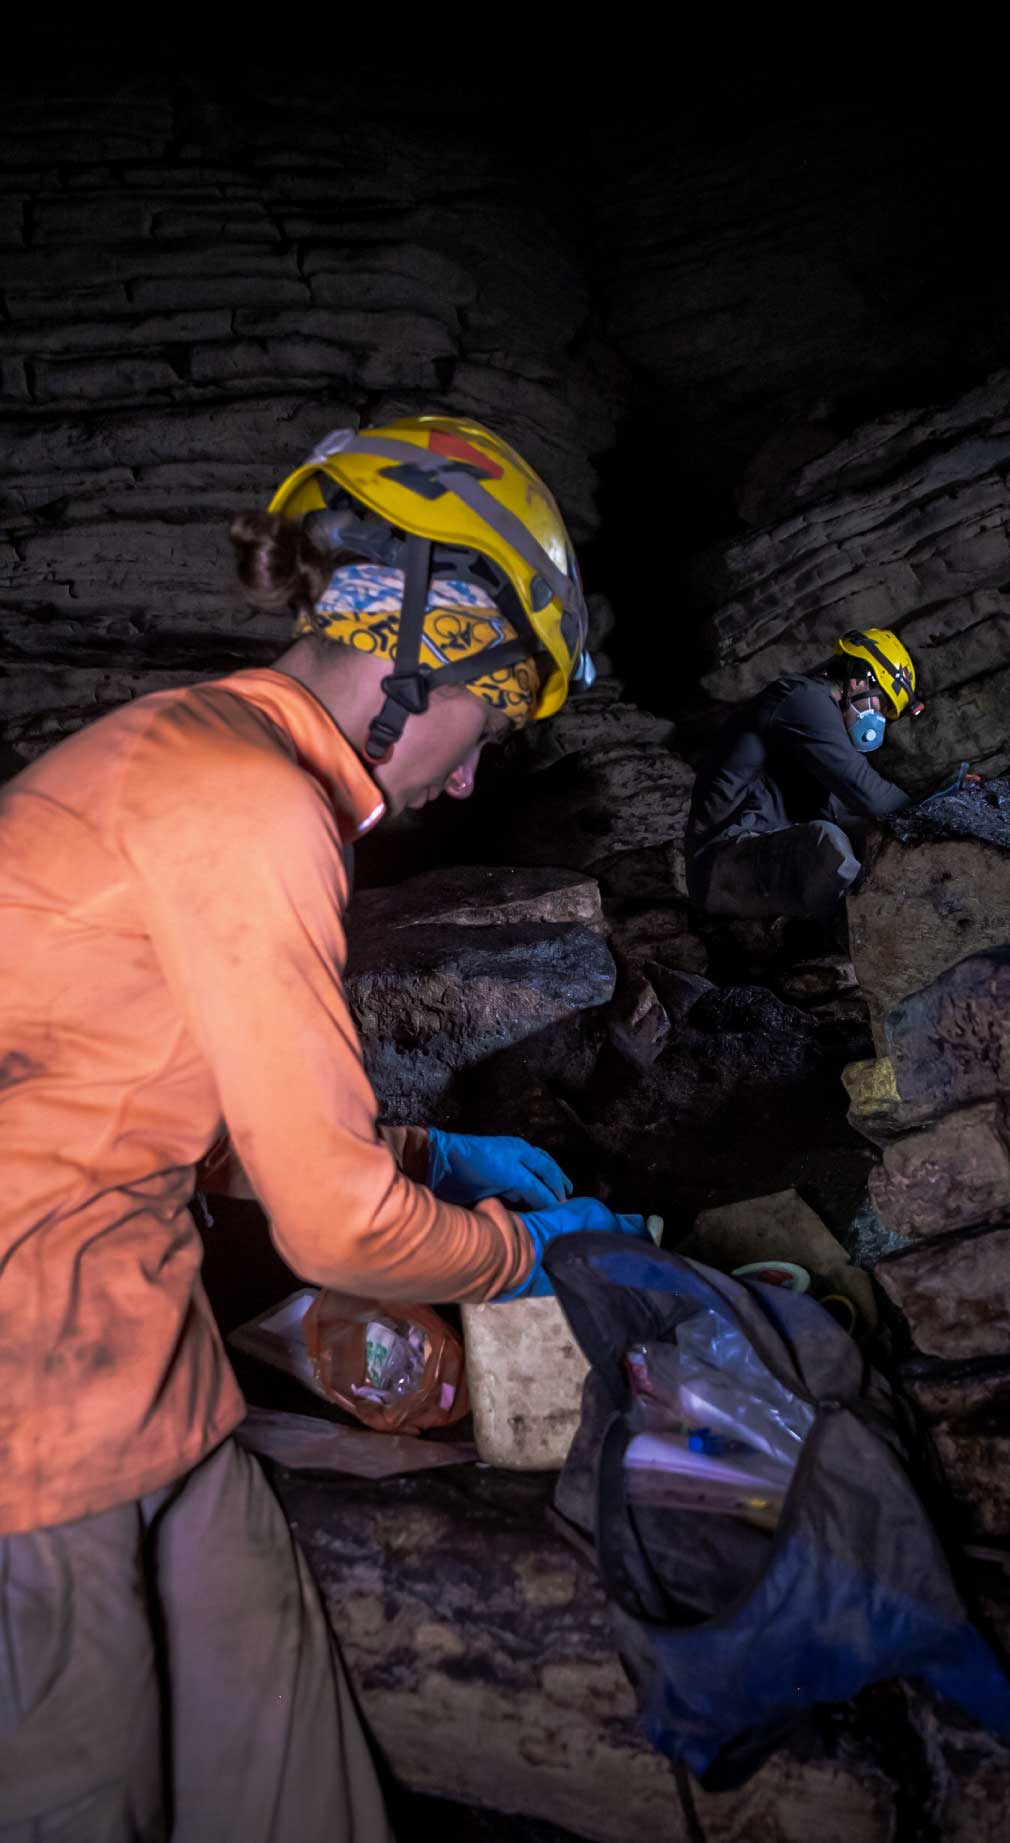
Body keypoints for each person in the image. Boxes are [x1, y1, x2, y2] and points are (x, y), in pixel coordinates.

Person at [0, 414, 645, 1841]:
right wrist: (522, 1251)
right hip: (23, 1398)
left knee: (281, 1753)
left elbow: (152, 1092)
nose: (470, 775)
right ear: (420, 660)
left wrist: (425, 1157)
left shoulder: (195, 753)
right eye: (492, 718)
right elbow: (330, 1226)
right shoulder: (246, 802)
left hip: (132, 1350)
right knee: (71, 1779)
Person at [684, 628, 921, 923]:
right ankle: (865, 931)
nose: (879, 720)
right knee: (828, 845)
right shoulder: (801, 699)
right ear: (860, 680)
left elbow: (851, 809)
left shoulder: (824, 727)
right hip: (723, 864)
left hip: (770, 853)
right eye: (881, 706)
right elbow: (867, 793)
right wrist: (930, 816)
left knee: (868, 836)